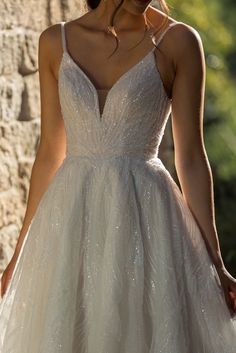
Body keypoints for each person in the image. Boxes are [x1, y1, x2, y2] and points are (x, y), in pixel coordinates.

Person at [0, 0, 236, 351]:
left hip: (147, 219)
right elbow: (50, 151)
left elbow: (191, 158)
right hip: (71, 220)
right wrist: (18, 254)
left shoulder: (179, 41)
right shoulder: (55, 41)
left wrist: (216, 262)